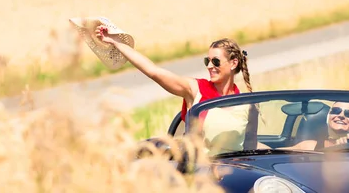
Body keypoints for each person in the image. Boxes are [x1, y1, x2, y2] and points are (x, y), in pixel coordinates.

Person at [95, 27, 254, 151]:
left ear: (233, 63)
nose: (210, 66)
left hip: (235, 176)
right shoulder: (196, 89)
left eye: (216, 62)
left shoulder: (247, 104)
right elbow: (154, 72)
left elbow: (251, 149)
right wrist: (116, 42)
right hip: (202, 176)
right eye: (208, 61)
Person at [257, 101, 349, 151]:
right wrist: (251, 142)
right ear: (328, 116)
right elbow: (275, 154)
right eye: (336, 111)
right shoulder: (310, 146)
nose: (341, 116)